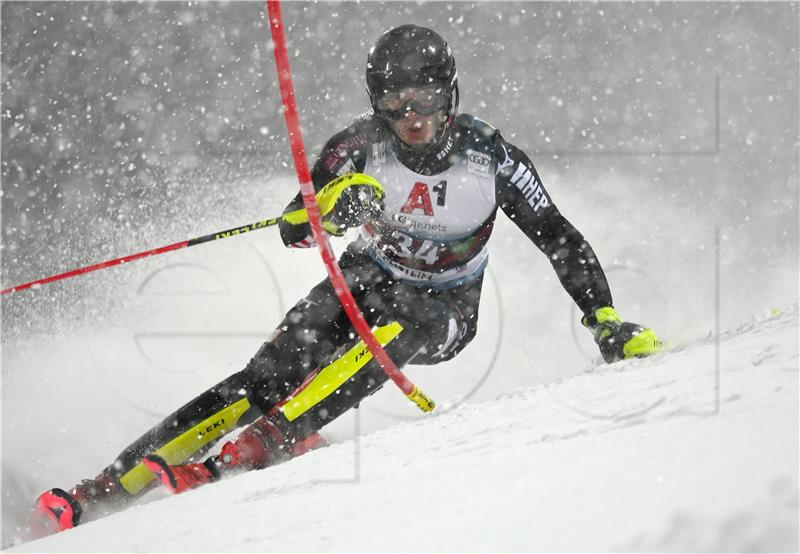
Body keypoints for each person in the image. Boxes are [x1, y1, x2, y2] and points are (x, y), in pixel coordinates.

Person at [32, 24, 660, 534]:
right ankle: (114, 483)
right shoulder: (359, 148)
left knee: (403, 326)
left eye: (426, 102)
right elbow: (291, 226)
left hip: (446, 309)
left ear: (451, 96)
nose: (411, 118)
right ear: (376, 104)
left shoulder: (490, 157)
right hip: (366, 276)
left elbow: (559, 237)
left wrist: (602, 320)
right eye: (394, 105)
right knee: (264, 377)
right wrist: (330, 211)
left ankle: (269, 442)